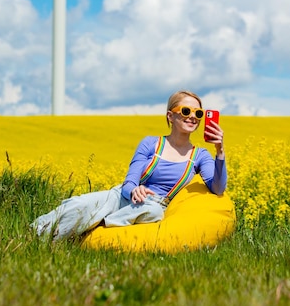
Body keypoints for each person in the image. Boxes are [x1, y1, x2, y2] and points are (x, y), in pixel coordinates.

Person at [31, 90, 226, 240]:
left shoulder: (200, 155)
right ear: (170, 116)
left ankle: (97, 228)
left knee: (153, 211)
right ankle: (36, 235)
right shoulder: (150, 143)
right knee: (80, 203)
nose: (193, 116)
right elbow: (129, 182)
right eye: (186, 111)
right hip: (124, 198)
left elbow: (217, 188)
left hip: (150, 208)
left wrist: (220, 152)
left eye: (198, 113)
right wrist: (134, 191)